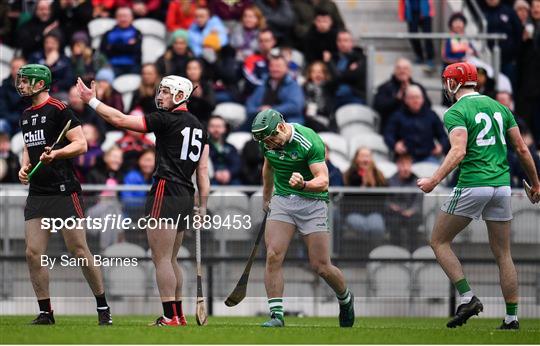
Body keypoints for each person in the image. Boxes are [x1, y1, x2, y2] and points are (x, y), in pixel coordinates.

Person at [77, 74, 210, 326]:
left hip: (165, 189)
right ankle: (178, 316)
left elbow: (119, 119)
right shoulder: (199, 127)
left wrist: (92, 101)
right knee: (171, 260)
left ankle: (170, 316)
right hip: (185, 193)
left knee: (160, 259)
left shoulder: (165, 119)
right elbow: (202, 172)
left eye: (166, 92)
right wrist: (202, 205)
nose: (160, 96)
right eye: (160, 91)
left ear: (181, 95)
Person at [417, 62, 540, 330]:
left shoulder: (456, 111)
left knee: (439, 241)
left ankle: (467, 296)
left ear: (453, 83)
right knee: (503, 254)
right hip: (502, 185)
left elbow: (458, 151)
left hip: (474, 183)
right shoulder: (500, 108)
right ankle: (511, 318)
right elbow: (521, 148)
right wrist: (537, 183)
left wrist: (433, 180)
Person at [15, 64, 112, 325]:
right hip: (38, 193)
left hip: (63, 189)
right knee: (32, 253)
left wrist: (56, 154)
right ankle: (46, 312)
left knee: (79, 250)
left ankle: (103, 306)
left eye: (26, 81)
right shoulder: (25, 115)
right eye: (21, 80)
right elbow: (28, 146)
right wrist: (24, 168)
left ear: (40, 84)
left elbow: (81, 144)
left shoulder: (59, 109)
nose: (21, 85)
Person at [251, 108, 355, 328]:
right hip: (283, 200)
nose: (268, 145)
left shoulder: (309, 141)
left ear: (280, 127)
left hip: (312, 202)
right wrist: (267, 197)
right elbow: (268, 166)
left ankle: (345, 299)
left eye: (271, 139)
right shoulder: (265, 141)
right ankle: (277, 315)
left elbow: (323, 181)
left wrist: (304, 184)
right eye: (265, 142)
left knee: (321, 266)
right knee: (273, 255)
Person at [384, 85, 449, 163]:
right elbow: (388, 135)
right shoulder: (397, 116)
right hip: (405, 158)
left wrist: (441, 146)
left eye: (418, 97)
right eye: (412, 98)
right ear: (405, 100)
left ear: (423, 99)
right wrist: (395, 145)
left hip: (428, 157)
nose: (415, 101)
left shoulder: (431, 115)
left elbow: (443, 136)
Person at [245, 55, 305, 128]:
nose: (274, 69)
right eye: (272, 66)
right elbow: (250, 104)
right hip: (261, 123)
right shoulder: (264, 84)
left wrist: (271, 111)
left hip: (287, 124)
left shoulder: (293, 85)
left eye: (278, 66)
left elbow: (295, 106)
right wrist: (258, 111)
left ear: (286, 68)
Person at [374, 58, 431, 132]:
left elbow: (428, 106)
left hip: (416, 129)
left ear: (410, 72)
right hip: (392, 131)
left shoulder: (418, 87)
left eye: (405, 68)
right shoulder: (384, 87)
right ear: (394, 71)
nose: (402, 71)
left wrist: (414, 97)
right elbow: (378, 107)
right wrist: (396, 99)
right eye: (399, 68)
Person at [325, 30, 366, 109]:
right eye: (339, 40)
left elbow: (351, 76)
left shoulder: (360, 58)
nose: (342, 43)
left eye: (345, 40)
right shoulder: (334, 58)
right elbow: (331, 79)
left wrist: (331, 65)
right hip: (335, 98)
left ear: (352, 42)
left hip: (354, 98)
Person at [99, 7, 142, 76]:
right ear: (116, 18)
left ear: (131, 18)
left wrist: (113, 46)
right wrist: (128, 46)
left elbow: (136, 50)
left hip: (132, 65)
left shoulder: (137, 33)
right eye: (120, 16)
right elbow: (103, 50)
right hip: (112, 65)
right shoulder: (108, 33)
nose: (123, 19)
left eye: (125, 16)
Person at [398, 0, 435, 67]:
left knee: (428, 37)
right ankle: (420, 56)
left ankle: (430, 58)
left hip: (425, 12)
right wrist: (402, 13)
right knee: (412, 36)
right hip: (411, 12)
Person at [207, 115, 241, 185]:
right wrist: (215, 172)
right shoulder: (204, 147)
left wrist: (229, 173)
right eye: (212, 126)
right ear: (208, 128)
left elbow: (237, 164)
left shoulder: (231, 147)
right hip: (211, 178)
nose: (216, 129)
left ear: (224, 128)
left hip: (231, 179)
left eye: (219, 126)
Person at [0, 56, 30, 134]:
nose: (16, 71)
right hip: (8, 122)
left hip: (26, 124)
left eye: (19, 68)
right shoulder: (4, 87)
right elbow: (2, 110)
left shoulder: (32, 88)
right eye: (13, 68)